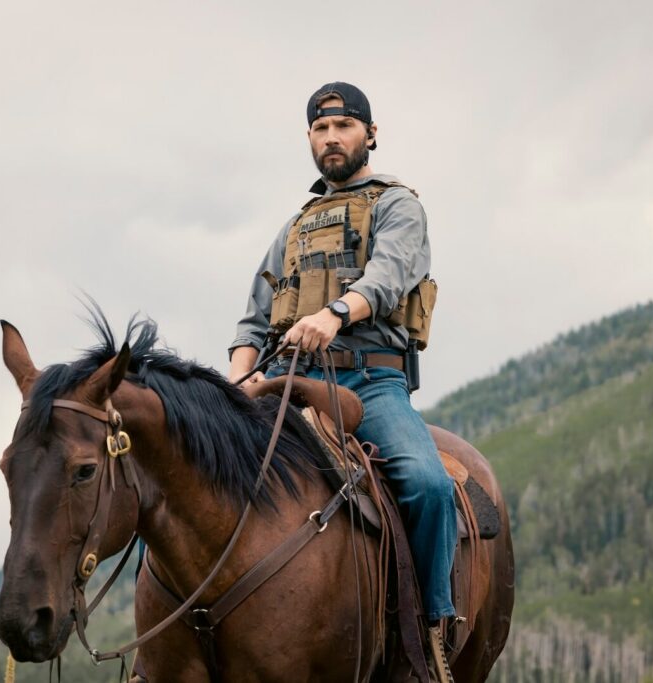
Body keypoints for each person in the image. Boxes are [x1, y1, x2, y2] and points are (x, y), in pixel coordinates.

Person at [228, 81, 458, 682]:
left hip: (369, 382)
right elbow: (253, 320)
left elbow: (386, 276)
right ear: (309, 139)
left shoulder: (397, 205)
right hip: (285, 379)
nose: (332, 138)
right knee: (185, 464)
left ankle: (431, 630)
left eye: (345, 126)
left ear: (370, 134)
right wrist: (234, 389)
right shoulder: (294, 229)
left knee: (429, 485)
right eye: (321, 129)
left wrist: (333, 315)